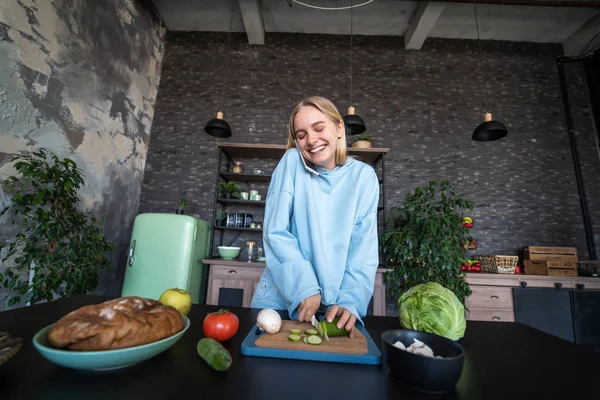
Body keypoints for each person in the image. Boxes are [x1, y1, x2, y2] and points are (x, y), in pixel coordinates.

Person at [250, 96, 380, 337]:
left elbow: (363, 249)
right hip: (280, 301)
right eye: (301, 135)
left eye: (319, 128)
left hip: (335, 305)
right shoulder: (291, 163)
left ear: (339, 128)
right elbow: (275, 231)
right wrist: (304, 287)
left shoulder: (364, 177)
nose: (311, 140)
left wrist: (350, 300)